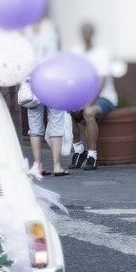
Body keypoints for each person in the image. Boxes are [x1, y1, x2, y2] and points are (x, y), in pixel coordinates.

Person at [20, 18, 69, 177]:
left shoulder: (25, 32)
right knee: (56, 121)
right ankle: (57, 165)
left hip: (32, 83)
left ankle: (38, 165)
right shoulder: (53, 30)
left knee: (34, 128)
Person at [69, 23, 117, 171]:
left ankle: (92, 156)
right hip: (84, 95)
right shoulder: (75, 51)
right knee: (70, 109)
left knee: (88, 112)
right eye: (83, 32)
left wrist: (87, 102)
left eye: (89, 32)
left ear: (93, 34)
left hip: (104, 96)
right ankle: (79, 151)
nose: (86, 35)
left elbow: (101, 81)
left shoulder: (102, 53)